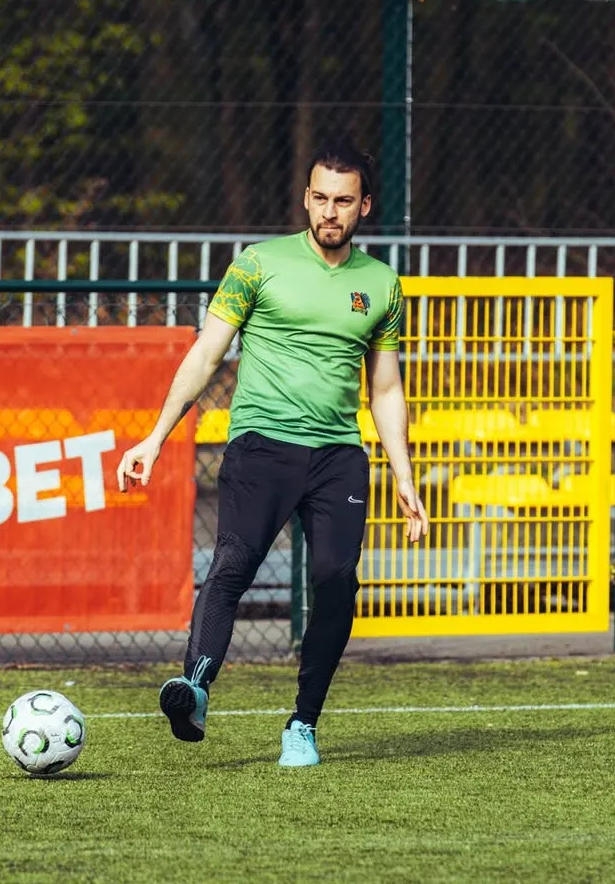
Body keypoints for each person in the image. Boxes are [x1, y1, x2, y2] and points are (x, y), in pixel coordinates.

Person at [116, 136, 427, 768]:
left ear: (365, 206)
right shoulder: (257, 264)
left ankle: (303, 725)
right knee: (233, 562)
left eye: (344, 201)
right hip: (261, 444)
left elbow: (386, 387)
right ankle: (194, 689)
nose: (330, 212)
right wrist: (155, 437)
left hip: (338, 454)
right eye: (321, 198)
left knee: (337, 581)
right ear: (306, 198)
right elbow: (206, 355)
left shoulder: (381, 283)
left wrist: (404, 475)